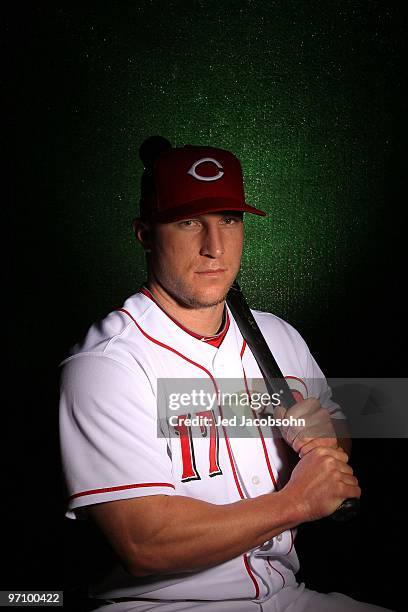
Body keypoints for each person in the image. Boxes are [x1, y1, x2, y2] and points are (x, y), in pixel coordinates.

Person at [59, 137, 393, 611]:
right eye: (188, 221)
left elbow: (335, 449)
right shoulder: (107, 364)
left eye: (229, 220)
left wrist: (327, 436)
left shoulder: (278, 337)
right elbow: (144, 544)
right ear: (145, 233)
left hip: (286, 595)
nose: (214, 247)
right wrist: (297, 503)